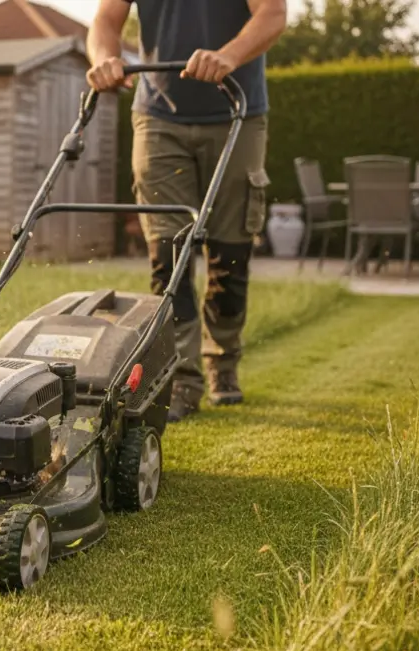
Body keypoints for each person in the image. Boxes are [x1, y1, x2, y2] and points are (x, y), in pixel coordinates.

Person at [86, 0, 287, 421]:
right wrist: (105, 58)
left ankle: (223, 363)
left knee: (230, 253)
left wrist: (227, 56)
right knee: (168, 256)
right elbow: (106, 20)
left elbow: (272, 13)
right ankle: (180, 379)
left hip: (237, 110)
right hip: (158, 115)